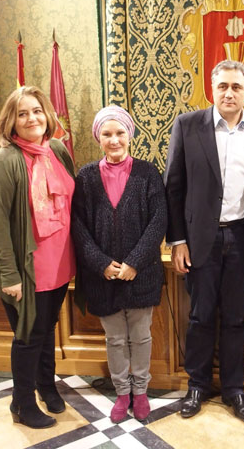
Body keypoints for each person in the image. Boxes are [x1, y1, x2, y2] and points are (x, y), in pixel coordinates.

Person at [165, 60, 244, 423]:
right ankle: (197, 385)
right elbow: (174, 186)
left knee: (235, 319)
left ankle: (234, 390)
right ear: (212, 88)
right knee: (200, 315)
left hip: (242, 237)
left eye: (236, 87)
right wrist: (177, 240)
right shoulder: (188, 125)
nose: (229, 93)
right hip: (200, 240)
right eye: (223, 86)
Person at [0, 86, 76, 429]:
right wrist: (9, 276)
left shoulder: (56, 150)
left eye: (36, 110)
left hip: (60, 264)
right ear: (11, 122)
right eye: (22, 113)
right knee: (27, 335)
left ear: (47, 114)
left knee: (46, 330)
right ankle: (21, 403)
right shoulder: (3, 162)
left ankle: (46, 387)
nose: (31, 118)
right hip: (27, 270)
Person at [72, 106, 167, 423]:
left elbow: (158, 222)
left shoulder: (148, 173)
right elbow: (78, 227)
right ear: (98, 137)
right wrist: (101, 264)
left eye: (120, 133)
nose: (114, 140)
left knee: (140, 337)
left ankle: (140, 393)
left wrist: (134, 263)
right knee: (114, 339)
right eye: (107, 134)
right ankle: (121, 393)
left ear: (130, 135)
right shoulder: (85, 177)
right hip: (102, 277)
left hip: (140, 275)